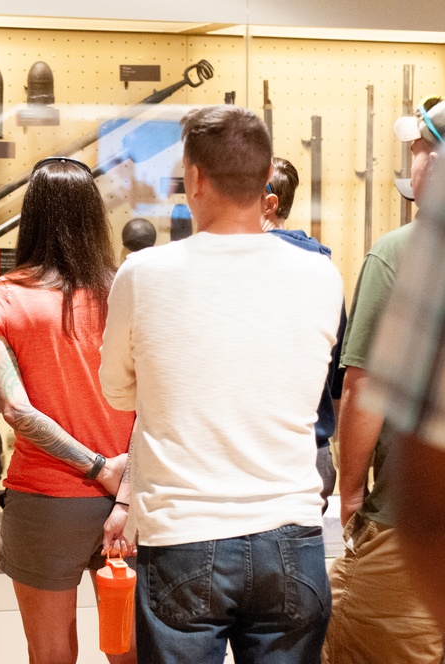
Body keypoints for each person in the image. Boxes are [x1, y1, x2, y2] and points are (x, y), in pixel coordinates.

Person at [99, 106, 342, 663]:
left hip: (183, 533)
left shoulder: (143, 274)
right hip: (293, 532)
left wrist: (176, 387)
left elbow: (116, 392)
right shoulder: (321, 275)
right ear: (265, 181)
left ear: (196, 179)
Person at [0, 156, 135, 664]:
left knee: (50, 655)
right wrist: (121, 483)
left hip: (47, 500)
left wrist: (95, 468)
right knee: (131, 653)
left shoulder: (0, 300)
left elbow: (16, 411)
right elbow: (162, 396)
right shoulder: (126, 293)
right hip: (132, 498)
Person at [322, 94, 445, 664]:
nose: (412, 160)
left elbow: (366, 386)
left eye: (418, 148)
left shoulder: (404, 253)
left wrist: (349, 496)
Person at [262, 156, 347, 513]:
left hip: (263, 459)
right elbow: (339, 372)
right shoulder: (324, 270)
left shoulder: (246, 266)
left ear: (270, 203)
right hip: (313, 453)